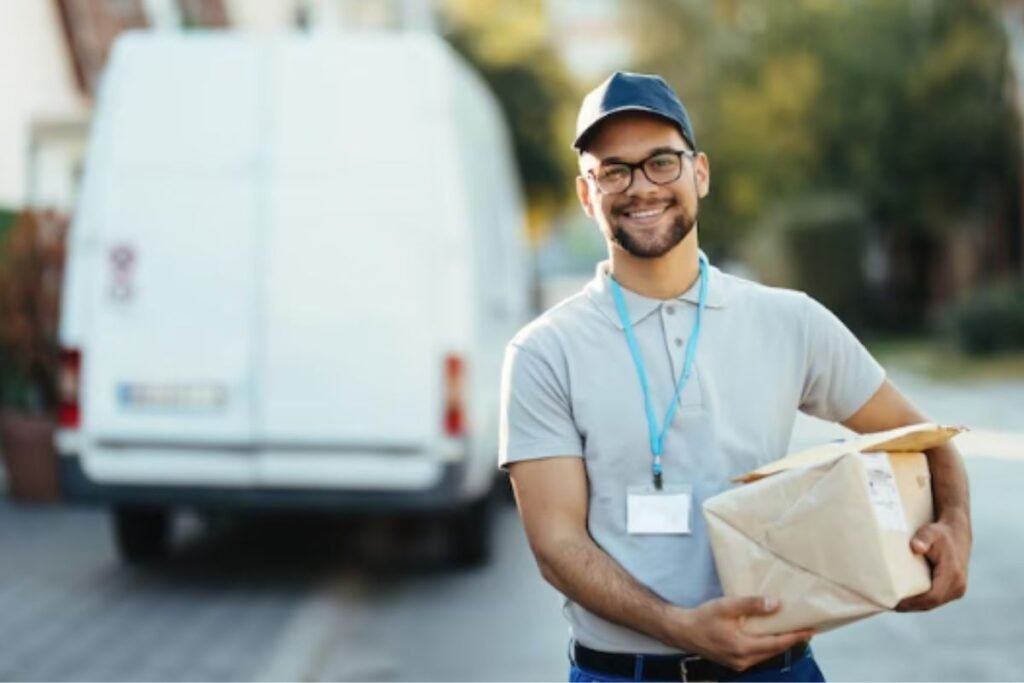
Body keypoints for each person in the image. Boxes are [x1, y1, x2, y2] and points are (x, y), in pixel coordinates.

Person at [498, 72, 972, 682]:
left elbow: (924, 436)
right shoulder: (543, 352)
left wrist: (955, 526)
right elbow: (557, 546)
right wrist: (677, 625)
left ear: (700, 173)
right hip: (624, 673)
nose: (640, 186)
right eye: (613, 170)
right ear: (588, 196)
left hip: (780, 671)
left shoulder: (789, 320)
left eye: (661, 162)